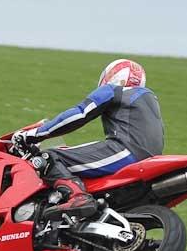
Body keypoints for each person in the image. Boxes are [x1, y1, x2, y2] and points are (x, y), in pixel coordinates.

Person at [12, 59, 164, 221]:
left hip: (125, 151)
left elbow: (79, 114)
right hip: (150, 159)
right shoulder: (150, 100)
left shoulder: (114, 90)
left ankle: (78, 197)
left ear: (114, 75)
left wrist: (34, 134)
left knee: (48, 158)